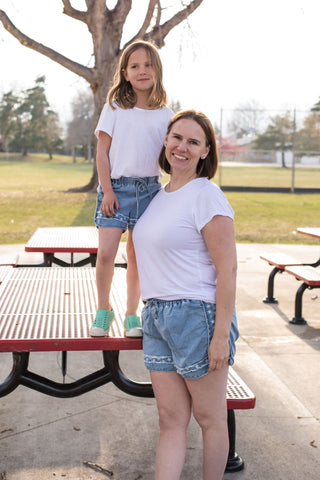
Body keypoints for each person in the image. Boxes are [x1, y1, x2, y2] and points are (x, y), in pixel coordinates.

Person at [133, 110, 239, 480]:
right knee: (170, 419)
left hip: (197, 316)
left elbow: (228, 271)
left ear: (206, 151)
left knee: (209, 418)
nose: (183, 147)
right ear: (166, 141)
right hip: (157, 317)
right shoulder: (160, 196)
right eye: (177, 137)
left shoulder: (206, 195)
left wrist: (221, 336)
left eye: (194, 141)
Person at [89, 40, 173, 338]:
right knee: (106, 253)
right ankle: (103, 310)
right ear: (125, 73)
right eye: (135, 66)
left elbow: (169, 155)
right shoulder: (114, 108)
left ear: (157, 71)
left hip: (150, 193)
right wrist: (107, 190)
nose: (142, 71)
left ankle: (131, 314)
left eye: (148, 65)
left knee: (137, 256)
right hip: (116, 190)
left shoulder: (166, 114)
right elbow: (102, 153)